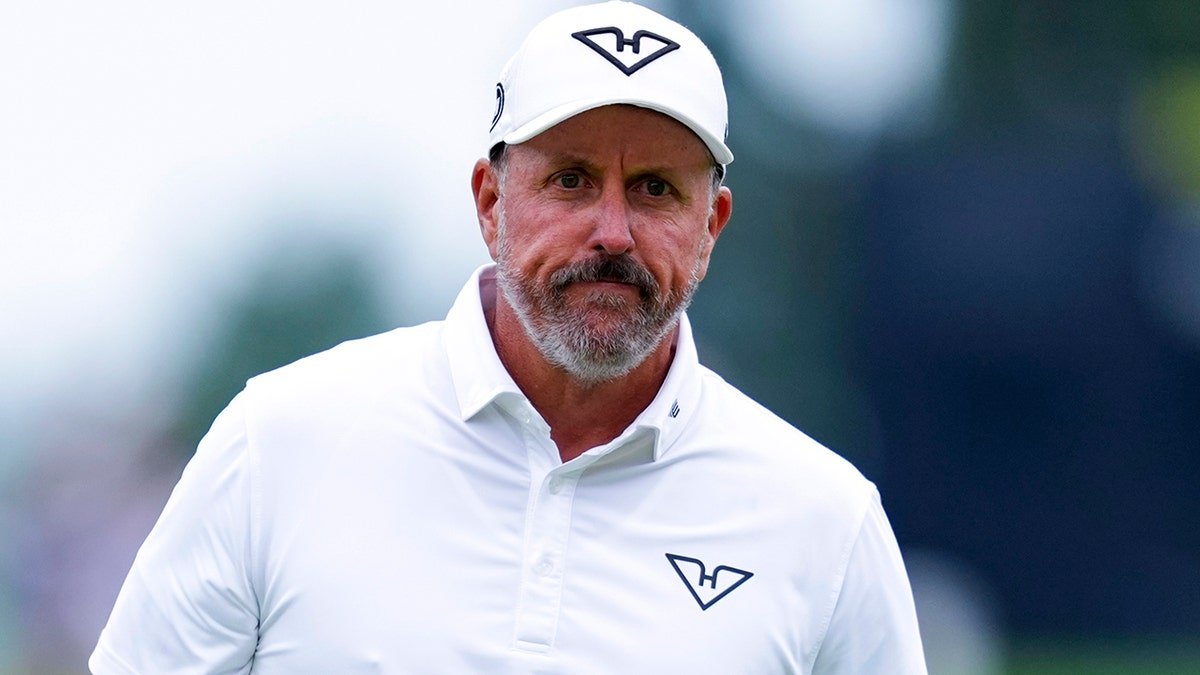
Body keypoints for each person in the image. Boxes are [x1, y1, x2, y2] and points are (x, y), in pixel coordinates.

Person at [90, 2, 927, 673]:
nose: (612, 231)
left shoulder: (822, 521)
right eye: (570, 179)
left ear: (711, 223)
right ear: (491, 201)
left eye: (654, 189)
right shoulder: (278, 442)